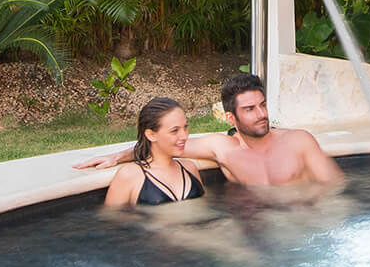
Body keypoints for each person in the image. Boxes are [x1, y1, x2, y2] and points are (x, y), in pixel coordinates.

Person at [76, 73, 344, 187]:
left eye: (262, 105)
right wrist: (117, 157)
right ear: (230, 117)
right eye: (250, 109)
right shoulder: (223, 148)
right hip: (260, 233)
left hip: (304, 226)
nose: (261, 114)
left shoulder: (298, 142)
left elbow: (335, 189)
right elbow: (164, 145)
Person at [104, 96, 206, 207]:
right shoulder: (130, 175)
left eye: (185, 127)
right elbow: (112, 216)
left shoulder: (189, 168)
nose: (184, 136)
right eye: (174, 131)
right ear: (151, 135)